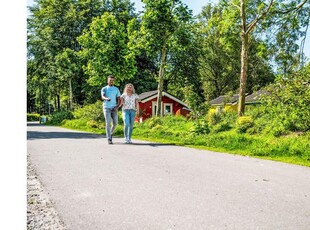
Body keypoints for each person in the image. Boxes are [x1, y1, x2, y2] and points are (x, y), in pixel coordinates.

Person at [101, 75, 121, 144]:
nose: (111, 82)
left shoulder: (116, 89)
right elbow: (103, 96)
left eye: (112, 81)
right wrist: (107, 98)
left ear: (113, 81)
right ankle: (109, 138)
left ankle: (110, 133)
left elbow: (119, 99)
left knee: (115, 123)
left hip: (114, 108)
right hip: (106, 107)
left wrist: (117, 106)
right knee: (108, 122)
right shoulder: (104, 88)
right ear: (107, 81)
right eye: (110, 80)